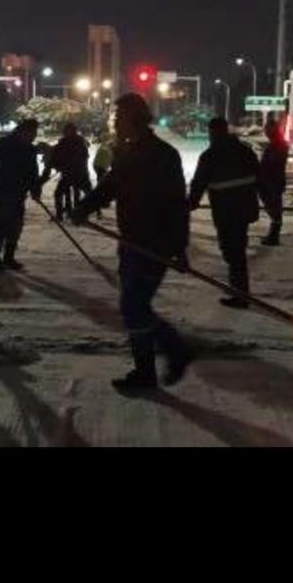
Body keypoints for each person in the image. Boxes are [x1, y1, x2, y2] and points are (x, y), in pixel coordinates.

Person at [74, 92, 192, 396]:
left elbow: (177, 204)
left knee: (134, 306)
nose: (115, 123)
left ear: (134, 119)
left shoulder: (162, 155)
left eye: (119, 118)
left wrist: (179, 248)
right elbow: (110, 186)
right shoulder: (128, 152)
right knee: (133, 308)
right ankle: (145, 371)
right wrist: (84, 207)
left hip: (154, 244)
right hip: (130, 242)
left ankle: (175, 349)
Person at [189, 117, 260, 306]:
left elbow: (198, 183)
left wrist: (190, 203)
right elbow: (260, 177)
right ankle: (239, 289)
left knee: (232, 252)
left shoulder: (210, 156)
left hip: (226, 212)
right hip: (244, 209)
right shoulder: (244, 151)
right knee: (237, 250)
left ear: (213, 132)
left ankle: (240, 294)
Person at [0, 117, 42, 270]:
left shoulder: (30, 149)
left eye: (35, 134)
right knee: (1, 225)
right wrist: (14, 169)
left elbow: (33, 172)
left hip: (18, 194)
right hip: (1, 191)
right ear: (23, 131)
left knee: (16, 226)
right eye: (32, 133)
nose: (33, 137)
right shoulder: (5, 143)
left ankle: (9, 257)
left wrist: (35, 189)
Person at [42, 121, 93, 222]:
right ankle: (64, 213)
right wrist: (56, 165)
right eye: (67, 131)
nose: (67, 133)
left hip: (78, 173)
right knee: (62, 193)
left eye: (69, 131)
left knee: (79, 193)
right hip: (71, 173)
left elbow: (83, 157)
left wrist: (62, 164)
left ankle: (78, 214)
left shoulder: (77, 143)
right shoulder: (68, 142)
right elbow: (55, 158)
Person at [258, 115, 289, 246]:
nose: (265, 131)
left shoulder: (278, 144)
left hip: (273, 182)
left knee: (274, 209)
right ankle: (272, 235)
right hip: (272, 181)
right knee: (273, 208)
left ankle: (273, 237)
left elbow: (273, 163)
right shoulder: (276, 143)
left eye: (267, 129)